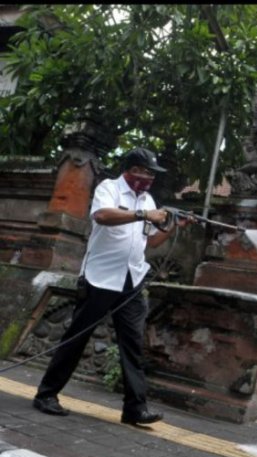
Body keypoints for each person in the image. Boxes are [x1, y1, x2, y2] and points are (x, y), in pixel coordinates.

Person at [33, 147, 190, 425]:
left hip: (131, 279)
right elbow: (102, 217)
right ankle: (46, 394)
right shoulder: (110, 188)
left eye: (152, 174)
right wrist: (144, 215)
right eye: (146, 172)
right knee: (76, 337)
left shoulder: (149, 199)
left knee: (132, 343)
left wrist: (173, 226)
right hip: (100, 277)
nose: (149, 177)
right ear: (132, 170)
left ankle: (135, 409)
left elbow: (150, 242)